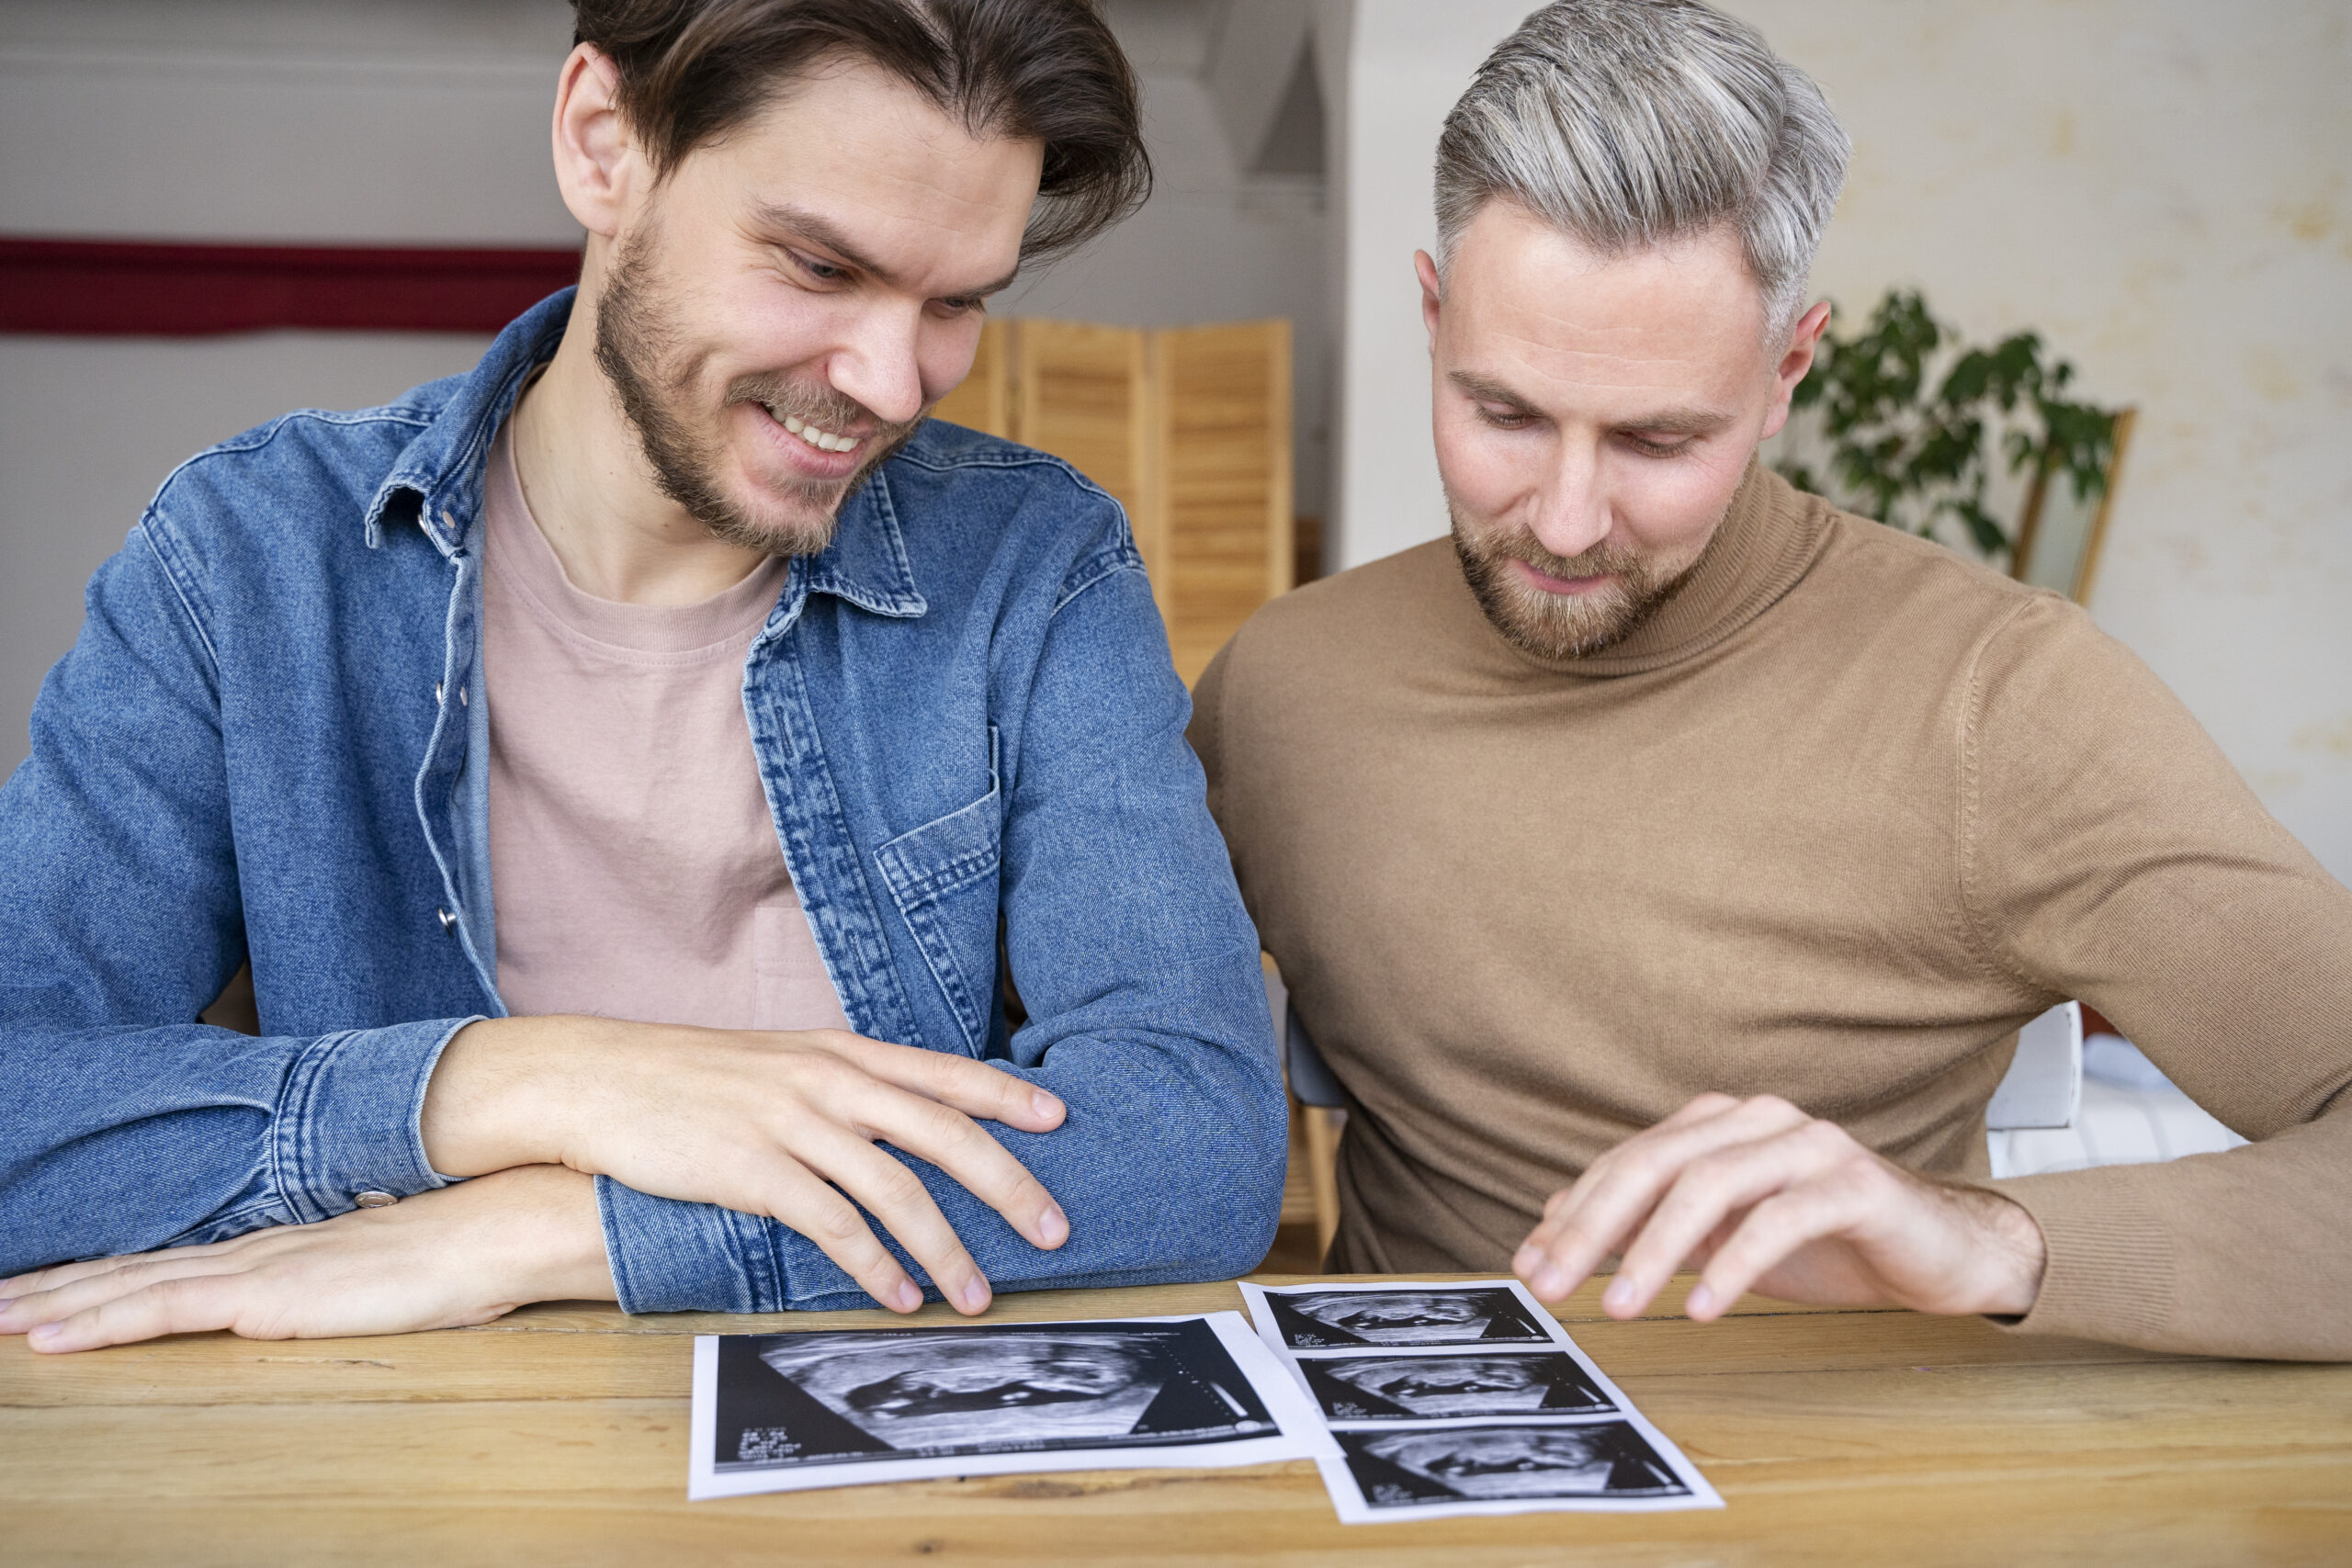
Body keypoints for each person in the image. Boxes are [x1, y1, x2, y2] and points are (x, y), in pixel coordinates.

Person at [0, 0, 1284, 1354]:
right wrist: (534, 1084)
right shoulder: (246, 563)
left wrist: (554, 1226)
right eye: (818, 266)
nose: (895, 383)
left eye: (957, 300)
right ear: (603, 144)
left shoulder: (1037, 565)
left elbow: (1190, 1137)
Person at [1193, 0, 2352, 1359]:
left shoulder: (2002, 700)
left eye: (1659, 438)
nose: (1565, 521)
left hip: (1847, 1498)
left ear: (1788, 368)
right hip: (1407, 1480)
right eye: (1503, 413)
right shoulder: (1283, 689)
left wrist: (1984, 1240)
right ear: (1434, 318)